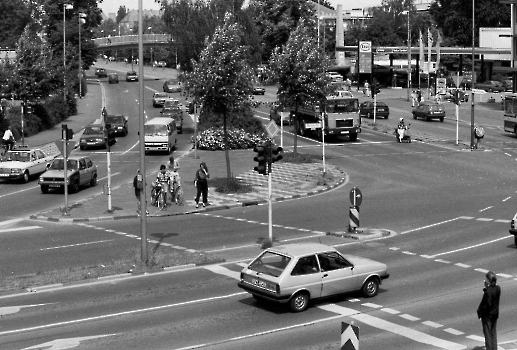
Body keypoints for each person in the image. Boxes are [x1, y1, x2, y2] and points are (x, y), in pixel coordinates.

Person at [477, 270, 501, 350]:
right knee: (493, 334)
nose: (485, 280)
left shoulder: (488, 292)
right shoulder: (498, 288)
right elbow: (493, 294)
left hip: (487, 316)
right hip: (495, 314)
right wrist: (487, 288)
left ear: (488, 280)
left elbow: (486, 304)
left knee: (488, 336)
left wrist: (481, 313)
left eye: (486, 279)